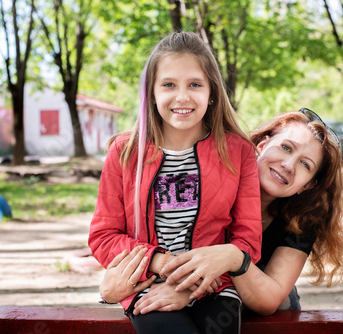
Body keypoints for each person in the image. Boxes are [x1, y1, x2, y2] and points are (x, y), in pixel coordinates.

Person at [88, 31, 262, 334]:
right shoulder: (124, 153)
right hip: (148, 285)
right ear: (151, 93)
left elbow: (247, 241)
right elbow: (103, 236)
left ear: (211, 92)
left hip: (214, 286)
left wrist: (194, 283)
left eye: (194, 84)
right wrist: (160, 263)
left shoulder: (239, 152)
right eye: (169, 85)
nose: (182, 96)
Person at [99, 109, 343, 317]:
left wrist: (232, 258)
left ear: (308, 185)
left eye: (305, 165)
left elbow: (269, 299)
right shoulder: (213, 175)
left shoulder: (301, 221)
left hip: (258, 312)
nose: (288, 165)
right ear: (262, 145)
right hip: (195, 300)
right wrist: (111, 290)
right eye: (285, 147)